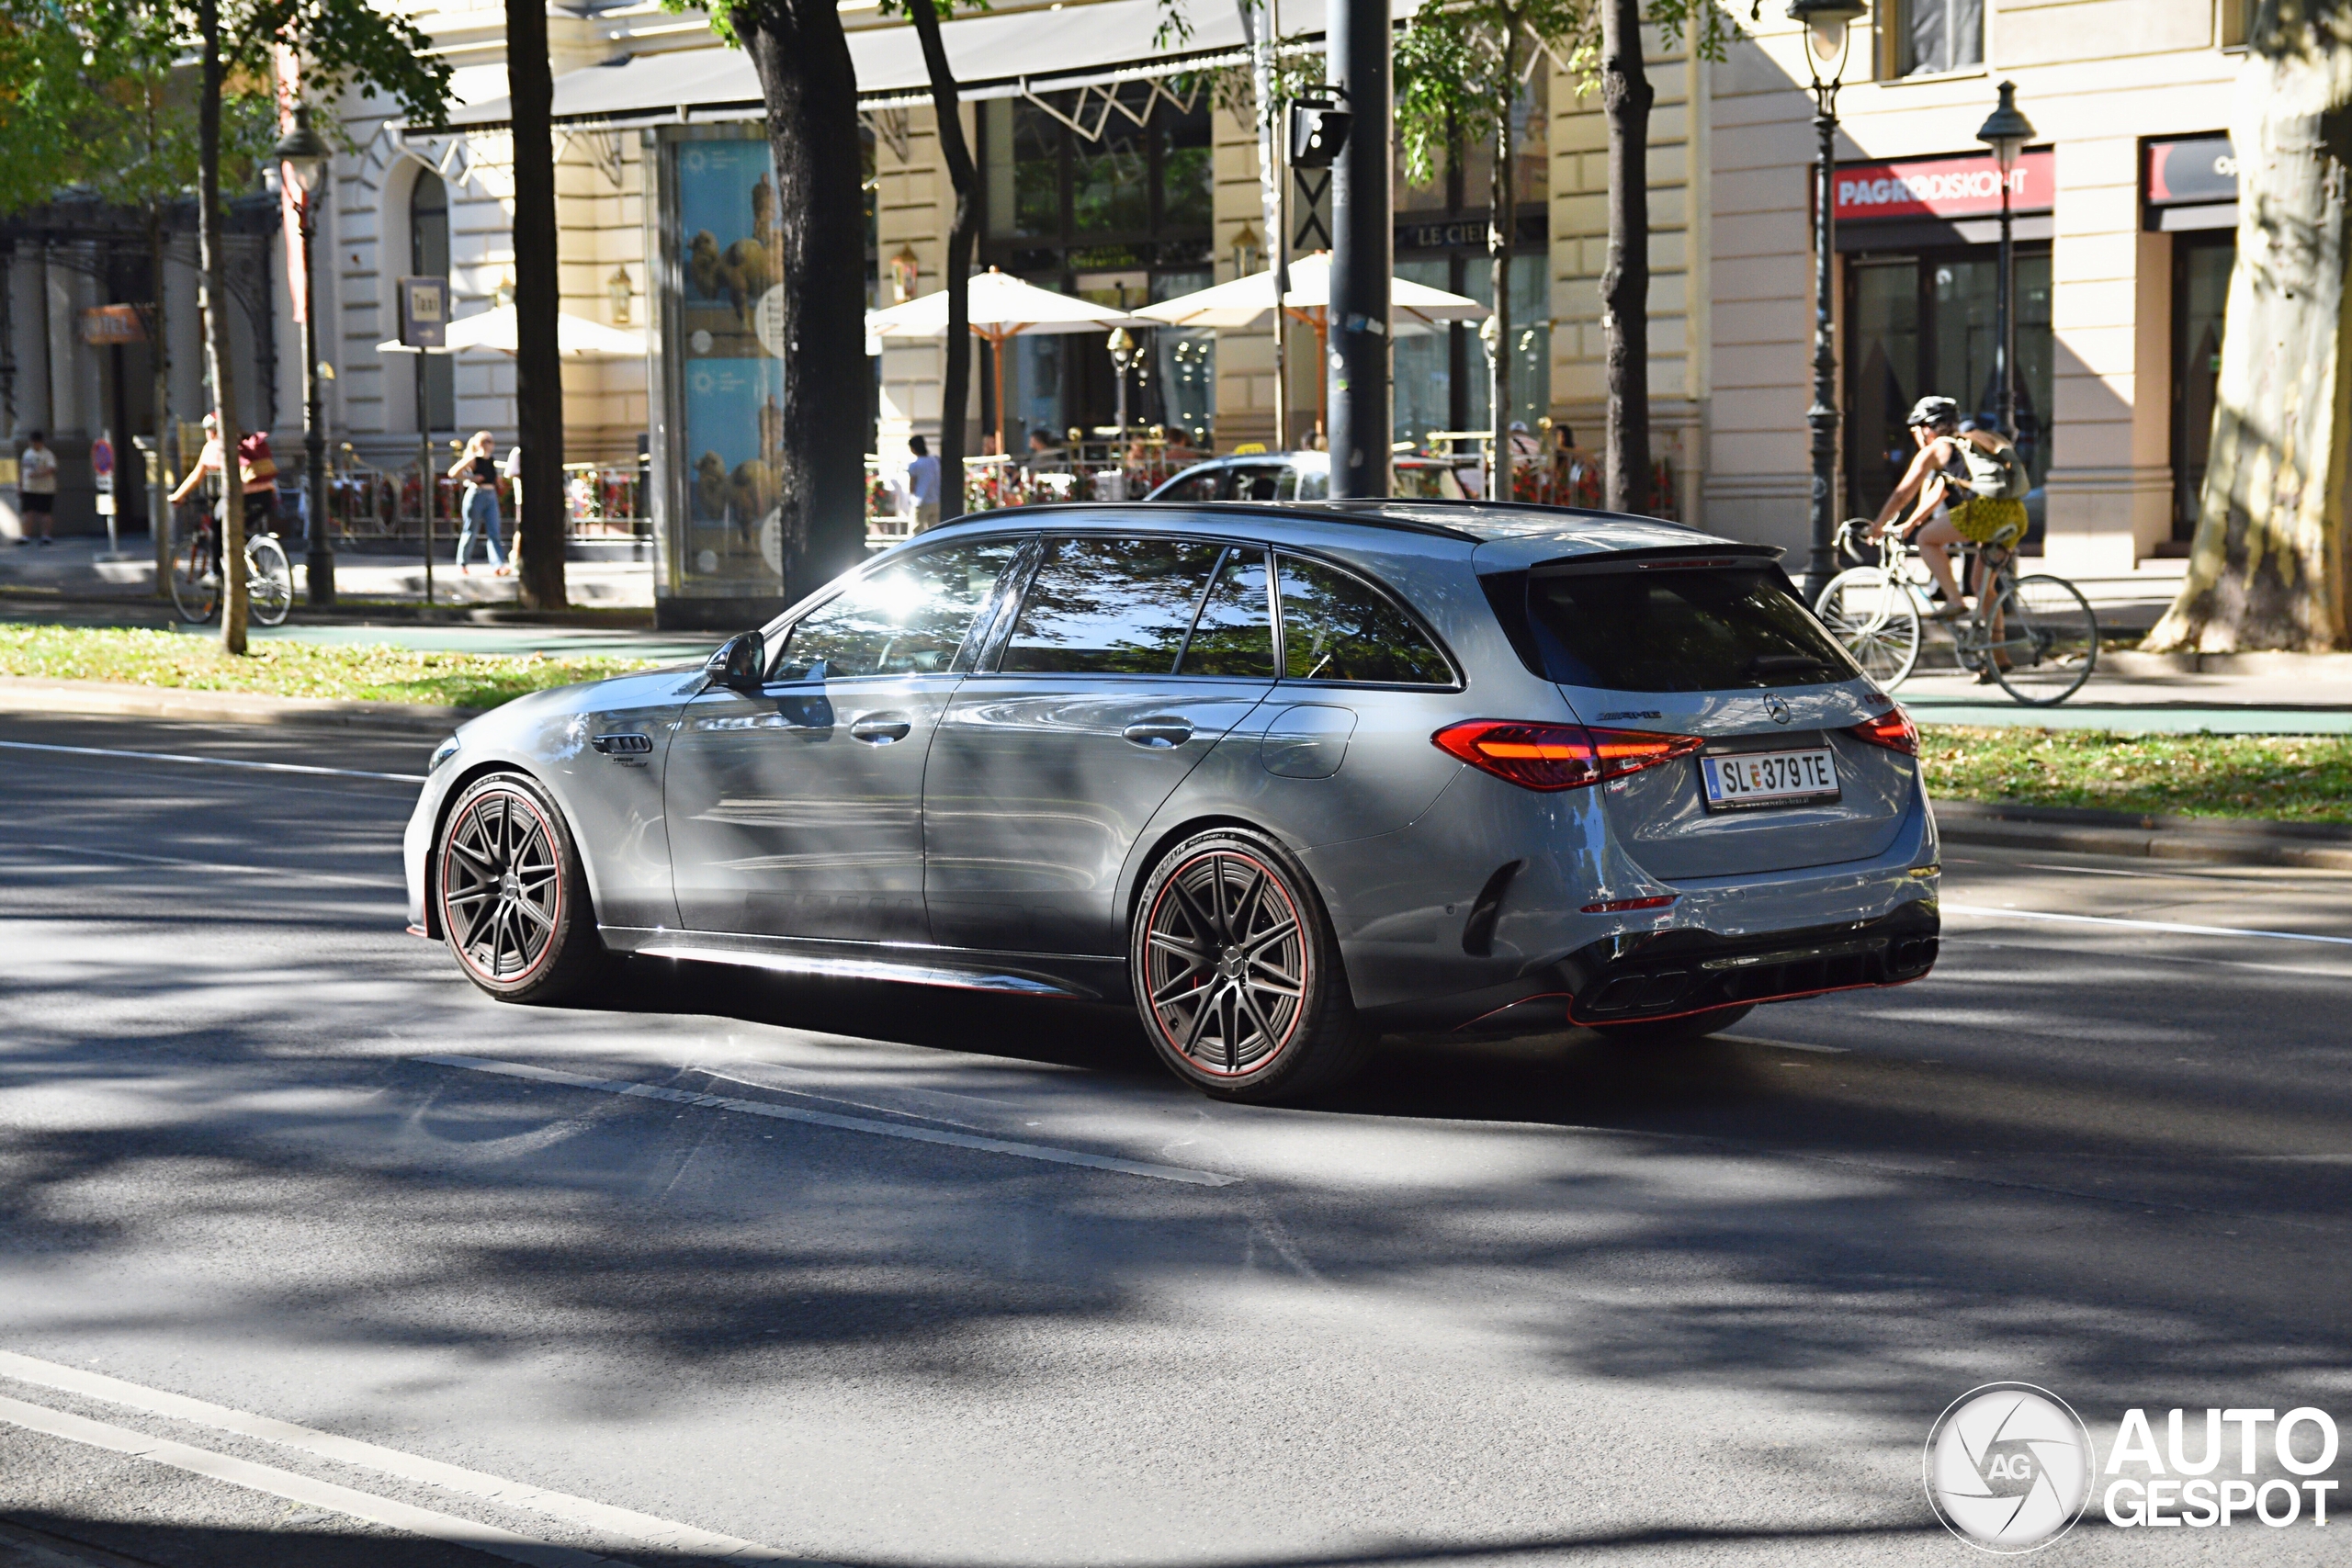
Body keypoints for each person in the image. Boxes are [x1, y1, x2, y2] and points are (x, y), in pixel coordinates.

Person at [1869, 395, 2029, 624]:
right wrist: (1910, 523)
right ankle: (2000, 657)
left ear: (1926, 428)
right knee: (1982, 587)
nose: (1916, 435)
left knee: (1925, 539)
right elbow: (1939, 492)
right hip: (2015, 513)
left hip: (1986, 512)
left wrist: (1877, 525)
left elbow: (1903, 493)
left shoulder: (1936, 449)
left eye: (1916, 429)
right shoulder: (1967, 445)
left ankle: (1954, 600)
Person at [169, 413, 277, 538]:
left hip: (240, 497)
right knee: (238, 530)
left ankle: (219, 558)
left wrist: (177, 496)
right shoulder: (246, 440)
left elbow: (196, 477)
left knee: (216, 526)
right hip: (267, 496)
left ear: (212, 431)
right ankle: (247, 551)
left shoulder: (214, 446)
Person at [447, 431, 509, 576]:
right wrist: (471, 478)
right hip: (477, 495)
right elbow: (453, 472)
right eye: (488, 441)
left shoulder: (491, 460)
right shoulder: (474, 459)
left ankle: (498, 565)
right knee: (470, 530)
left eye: (492, 441)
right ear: (480, 443)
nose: (491, 444)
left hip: (490, 495)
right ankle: (462, 563)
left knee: (494, 530)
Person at [17, 431, 56, 546]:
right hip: (29, 488)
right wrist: (20, 485)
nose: (34, 445)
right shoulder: (27, 453)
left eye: (36, 442)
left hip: (45, 489)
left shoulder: (47, 454)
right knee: (27, 513)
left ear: (41, 442)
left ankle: (46, 536)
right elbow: (23, 470)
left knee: (45, 513)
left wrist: (37, 474)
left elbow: (51, 469)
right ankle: (25, 536)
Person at [906, 434, 940, 533]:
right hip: (935, 500)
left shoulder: (915, 465)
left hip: (920, 501)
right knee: (934, 531)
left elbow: (912, 486)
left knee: (916, 531)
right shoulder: (934, 461)